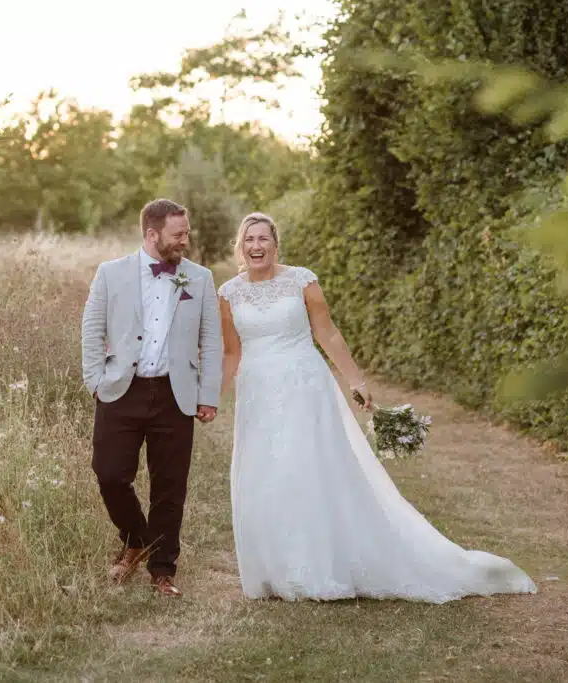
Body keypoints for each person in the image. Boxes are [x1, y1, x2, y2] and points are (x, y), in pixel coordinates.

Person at [218, 212, 537, 602]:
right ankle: (276, 570)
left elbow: (327, 333)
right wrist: (210, 397)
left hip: (305, 388)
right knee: (266, 476)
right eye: (249, 239)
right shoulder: (229, 293)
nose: (256, 246)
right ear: (240, 245)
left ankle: (318, 568)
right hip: (258, 396)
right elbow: (232, 352)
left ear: (275, 243)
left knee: (307, 470)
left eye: (263, 239)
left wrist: (356, 380)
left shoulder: (302, 280)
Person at [81, 198, 223, 597]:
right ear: (152, 234)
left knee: (170, 486)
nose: (185, 240)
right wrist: (94, 378)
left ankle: (163, 570)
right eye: (178, 234)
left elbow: (210, 341)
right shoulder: (111, 273)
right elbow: (91, 329)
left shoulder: (199, 278)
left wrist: (207, 394)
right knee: (109, 473)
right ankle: (137, 539)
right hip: (120, 390)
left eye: (187, 232)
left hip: (174, 394)